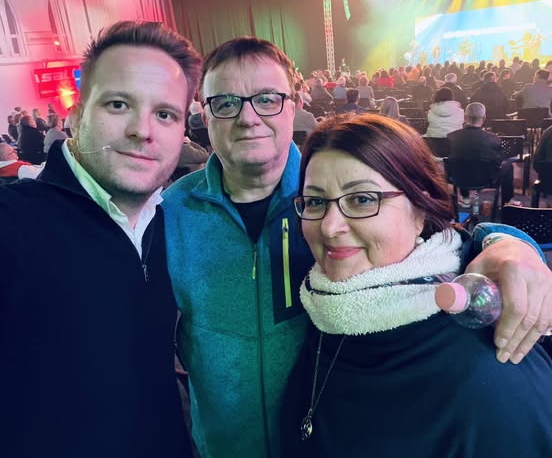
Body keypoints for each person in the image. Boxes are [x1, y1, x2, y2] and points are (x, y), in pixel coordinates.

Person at [163, 36, 552, 458]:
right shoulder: (170, 212)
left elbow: (442, 236)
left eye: (267, 99)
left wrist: (509, 242)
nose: (248, 117)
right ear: (203, 113)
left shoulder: (326, 175)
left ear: (294, 104)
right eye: (225, 102)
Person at [282, 114, 552, 457]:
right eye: (316, 201)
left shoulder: (492, 378)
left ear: (419, 210)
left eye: (362, 199)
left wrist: (511, 244)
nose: (329, 227)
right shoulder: (325, 306)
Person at [0, 20, 202, 458]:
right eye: (118, 104)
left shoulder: (174, 224)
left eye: (165, 114)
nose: (142, 130)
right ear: (74, 116)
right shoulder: (12, 225)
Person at [447, 102, 520, 208]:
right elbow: (498, 161)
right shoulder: (493, 139)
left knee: (462, 161)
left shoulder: (451, 137)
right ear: (484, 118)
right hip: (487, 180)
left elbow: (450, 159)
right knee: (508, 166)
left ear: (465, 117)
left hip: (458, 178)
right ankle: (508, 201)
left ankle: (465, 197)